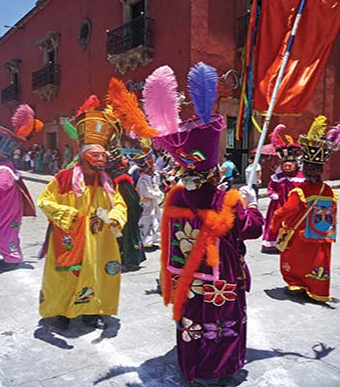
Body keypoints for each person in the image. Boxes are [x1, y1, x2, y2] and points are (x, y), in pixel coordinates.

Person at [142, 63, 264, 385]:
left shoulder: (177, 197)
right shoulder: (228, 199)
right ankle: (220, 369)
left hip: (189, 279)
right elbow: (252, 229)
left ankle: (194, 367)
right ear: (213, 172)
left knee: (193, 321)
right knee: (223, 322)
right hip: (223, 278)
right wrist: (252, 203)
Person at [38, 97, 127, 330]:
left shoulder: (108, 183)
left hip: (99, 239)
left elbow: (120, 204)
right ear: (84, 155)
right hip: (69, 237)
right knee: (65, 275)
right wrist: (67, 215)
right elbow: (44, 200)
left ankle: (90, 312)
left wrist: (116, 216)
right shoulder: (64, 179)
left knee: (97, 272)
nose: (101, 159)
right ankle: (62, 312)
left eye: (103, 155)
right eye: (96, 155)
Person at [270, 116, 339, 301]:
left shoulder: (299, 191)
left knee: (296, 260)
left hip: (301, 235)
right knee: (318, 261)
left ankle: (297, 283)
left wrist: (274, 225)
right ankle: (317, 290)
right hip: (321, 235)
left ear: (305, 169)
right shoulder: (328, 190)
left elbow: (286, 211)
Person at [0, 104, 41, 270]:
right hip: (0, 209)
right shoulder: (2, 167)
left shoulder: (4, 170)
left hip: (4, 212)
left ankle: (11, 259)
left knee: (1, 232)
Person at [261, 125, 304, 254]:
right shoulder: (277, 177)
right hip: (278, 205)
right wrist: (273, 194)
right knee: (276, 223)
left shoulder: (301, 178)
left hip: (295, 207)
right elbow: (270, 188)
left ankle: (293, 244)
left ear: (295, 165)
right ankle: (273, 245)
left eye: (290, 165)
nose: (287, 168)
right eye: (285, 165)